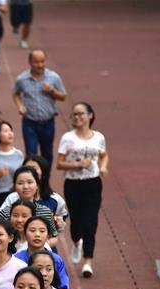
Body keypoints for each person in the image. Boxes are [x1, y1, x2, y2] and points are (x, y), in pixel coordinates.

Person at [57, 101, 108, 278]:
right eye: (74, 114)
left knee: (90, 221)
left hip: (93, 183)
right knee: (76, 222)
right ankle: (76, 241)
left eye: (80, 114)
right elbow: (59, 164)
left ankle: (88, 261)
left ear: (90, 115)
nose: (77, 117)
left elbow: (104, 155)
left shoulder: (98, 137)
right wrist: (77, 164)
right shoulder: (67, 138)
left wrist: (103, 167)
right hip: (73, 183)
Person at [12, 50, 67, 163]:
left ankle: (45, 179)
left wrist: (52, 90)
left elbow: (63, 97)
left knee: (47, 153)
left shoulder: (54, 77)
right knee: (31, 154)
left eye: (42, 61)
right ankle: (34, 178)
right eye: (36, 62)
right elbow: (15, 93)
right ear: (30, 62)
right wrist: (20, 106)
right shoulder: (22, 79)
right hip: (30, 122)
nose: (40, 65)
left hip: (48, 123)